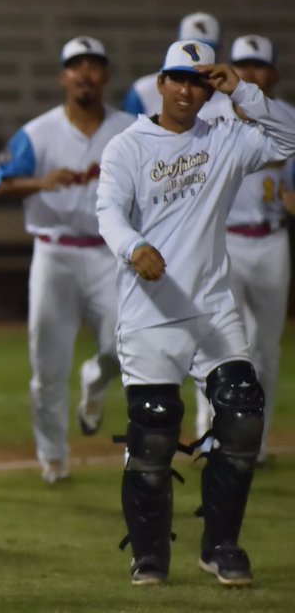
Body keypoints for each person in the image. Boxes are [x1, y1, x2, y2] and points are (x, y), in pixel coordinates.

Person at [95, 39, 295, 587]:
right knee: (154, 431)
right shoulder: (127, 146)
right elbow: (108, 210)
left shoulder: (227, 138)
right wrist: (133, 247)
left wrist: (245, 91)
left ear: (211, 88)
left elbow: (291, 138)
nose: (188, 90)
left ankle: (221, 544)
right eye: (178, 79)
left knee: (243, 412)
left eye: (200, 81)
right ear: (160, 82)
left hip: (212, 308)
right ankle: (150, 554)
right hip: (150, 310)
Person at [0, 36, 134, 483]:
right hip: (55, 254)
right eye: (76, 66)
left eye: (94, 65)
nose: (85, 74)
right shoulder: (38, 132)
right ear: (63, 77)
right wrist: (40, 182)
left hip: (112, 254)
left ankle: (94, 381)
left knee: (123, 349)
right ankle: (53, 455)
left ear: (106, 76)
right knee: (48, 365)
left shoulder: (132, 129)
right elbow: (2, 182)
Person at [191, 34, 292, 463]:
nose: (250, 72)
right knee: (213, 342)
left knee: (265, 350)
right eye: (243, 64)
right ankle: (207, 432)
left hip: (270, 240)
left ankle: (257, 442)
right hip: (224, 239)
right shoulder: (208, 117)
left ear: (273, 73)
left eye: (259, 66)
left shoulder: (286, 118)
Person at [123, 11, 220, 117]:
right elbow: (130, 128)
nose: (195, 56)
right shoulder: (143, 90)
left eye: (204, 49)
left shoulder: (229, 94)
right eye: (189, 48)